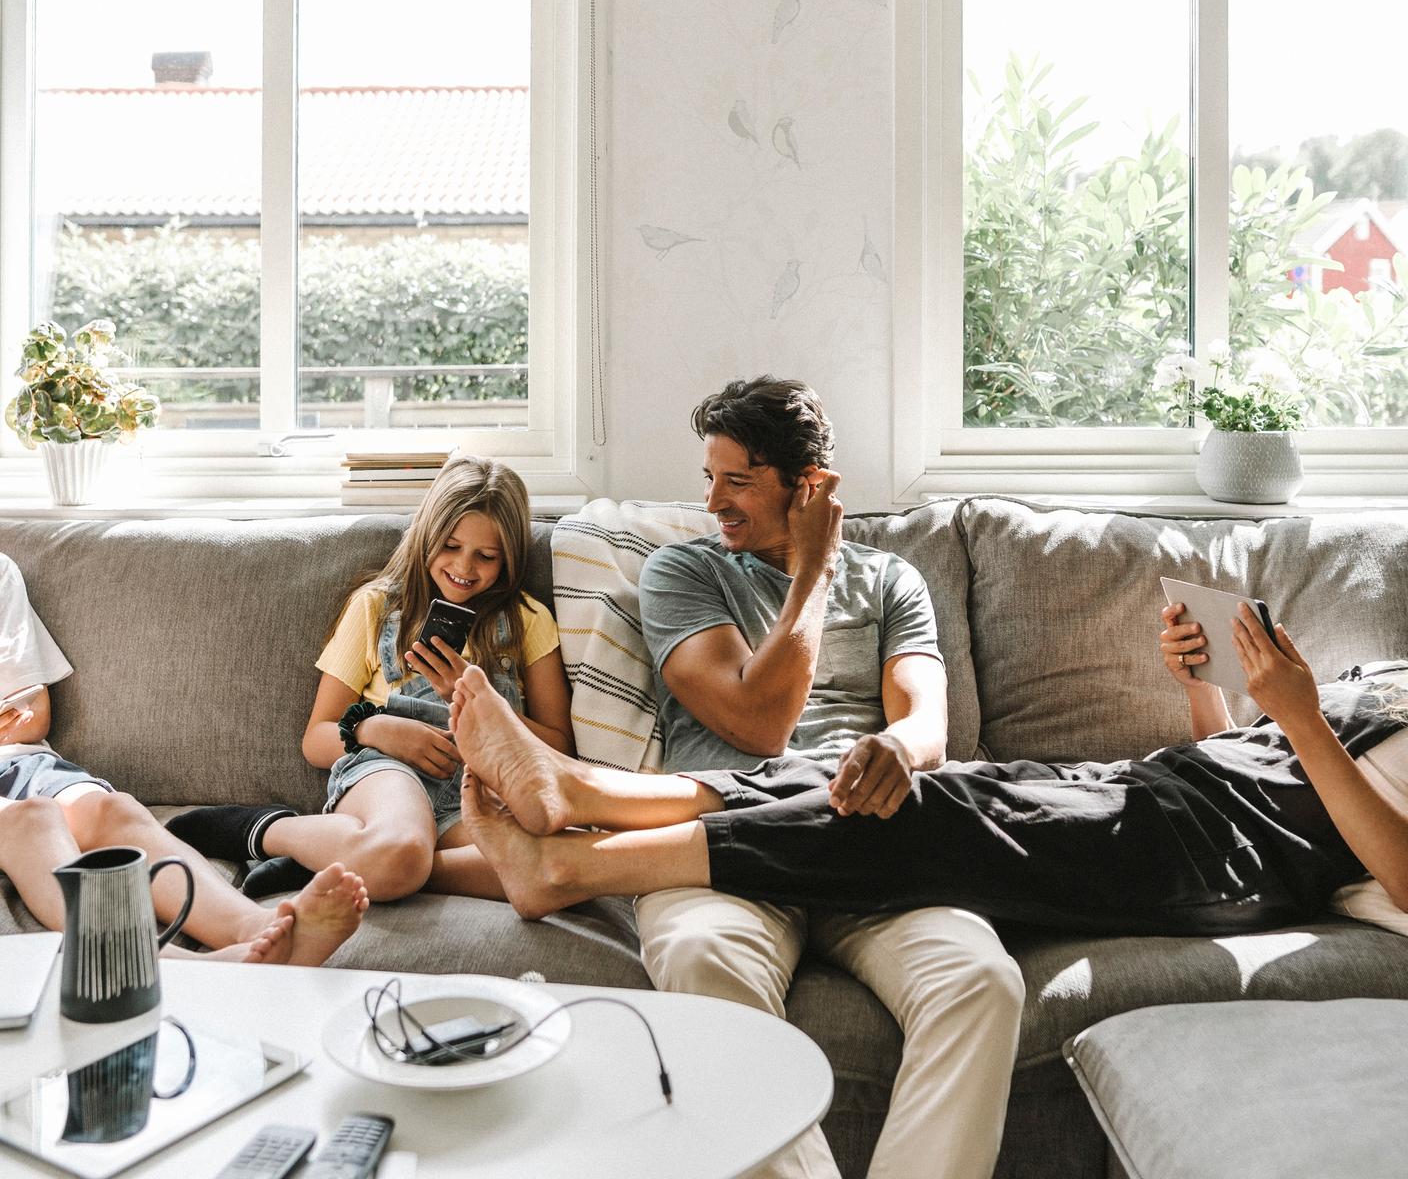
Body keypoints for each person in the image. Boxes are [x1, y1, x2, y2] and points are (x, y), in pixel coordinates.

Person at [553, 378, 1021, 1179]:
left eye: (737, 482)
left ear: (809, 488)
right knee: (699, 955)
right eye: (710, 478)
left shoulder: (892, 582)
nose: (713, 502)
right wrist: (811, 572)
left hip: (862, 831)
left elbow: (925, 724)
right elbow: (758, 724)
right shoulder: (683, 572)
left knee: (982, 979)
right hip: (729, 843)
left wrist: (898, 751)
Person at [444, 601, 1408, 943]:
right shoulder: (1395, 685)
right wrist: (1206, 688)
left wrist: (1299, 712)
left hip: (1205, 862)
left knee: (911, 807)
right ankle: (579, 793)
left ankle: (566, 866)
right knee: (840, 772)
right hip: (1159, 788)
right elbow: (1250, 762)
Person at [170, 454, 573, 903]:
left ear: (509, 558)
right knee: (400, 853)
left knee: (555, 868)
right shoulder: (376, 607)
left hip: (479, 787)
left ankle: (338, 857)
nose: (465, 566)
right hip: (389, 769)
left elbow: (558, 747)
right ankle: (272, 831)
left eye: (487, 556)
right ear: (426, 537)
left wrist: (477, 703)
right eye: (451, 546)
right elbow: (317, 738)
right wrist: (378, 728)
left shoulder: (528, 621)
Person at [0, 554, 368, 966]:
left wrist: (20, 713)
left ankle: (259, 930)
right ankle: (171, 965)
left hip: (17, 760)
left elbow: (32, 715)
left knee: (113, 809)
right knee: (32, 820)